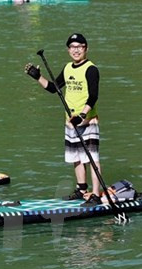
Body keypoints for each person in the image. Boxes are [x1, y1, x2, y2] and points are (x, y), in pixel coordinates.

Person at [24, 33, 103, 205]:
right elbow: (54, 88)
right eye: (73, 47)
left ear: (86, 49)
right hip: (70, 122)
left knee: (91, 158)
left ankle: (96, 195)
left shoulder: (91, 69)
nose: (76, 50)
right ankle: (82, 189)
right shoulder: (68, 68)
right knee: (76, 157)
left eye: (80, 47)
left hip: (88, 121)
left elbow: (93, 96)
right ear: (68, 50)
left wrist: (82, 115)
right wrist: (37, 76)